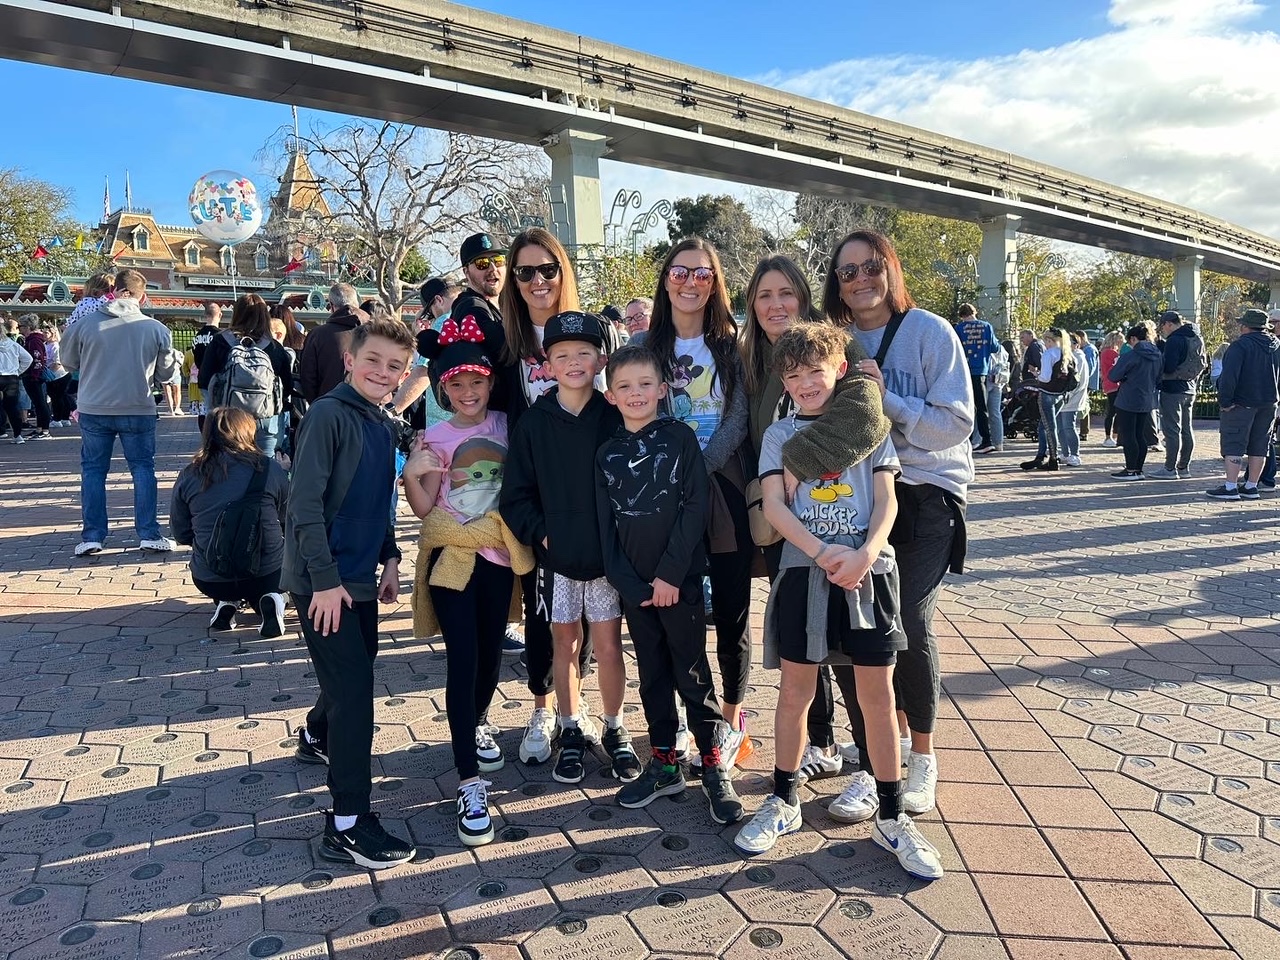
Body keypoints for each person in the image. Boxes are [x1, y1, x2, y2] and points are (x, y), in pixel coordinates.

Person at [735, 322, 942, 880]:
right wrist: (824, 551)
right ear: (784, 379)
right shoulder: (780, 436)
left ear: (840, 370)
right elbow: (776, 508)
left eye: (815, 371)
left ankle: (893, 813)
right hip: (807, 573)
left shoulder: (869, 429)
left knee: (877, 697)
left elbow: (887, 501)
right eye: (794, 374)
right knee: (795, 692)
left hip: (868, 577)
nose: (805, 383)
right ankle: (783, 800)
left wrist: (868, 552)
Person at [782, 229, 973, 823]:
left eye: (870, 267)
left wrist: (886, 399)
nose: (860, 279)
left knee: (906, 619)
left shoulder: (930, 332)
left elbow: (955, 425)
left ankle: (922, 756)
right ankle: (872, 762)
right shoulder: (830, 342)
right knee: (849, 623)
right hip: (850, 502)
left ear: (890, 267)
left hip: (924, 494)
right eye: (846, 273)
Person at [739, 253, 888, 781]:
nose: (776, 304)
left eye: (786, 293)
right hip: (790, 523)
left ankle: (872, 769)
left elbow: (867, 419)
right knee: (806, 647)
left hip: (847, 525)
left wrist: (796, 465)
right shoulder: (755, 361)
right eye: (764, 295)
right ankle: (817, 744)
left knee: (856, 657)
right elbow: (744, 429)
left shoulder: (835, 349)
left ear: (804, 298)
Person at [285, 318, 416, 870]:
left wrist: (389, 556)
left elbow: (378, 500)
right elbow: (304, 505)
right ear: (349, 360)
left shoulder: (382, 423)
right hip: (326, 585)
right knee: (356, 692)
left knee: (355, 671)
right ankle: (347, 823)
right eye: (374, 361)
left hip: (362, 577)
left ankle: (316, 733)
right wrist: (326, 581)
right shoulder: (328, 416)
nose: (382, 373)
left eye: (394, 367)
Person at [596, 344, 743, 824]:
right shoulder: (607, 453)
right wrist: (628, 583)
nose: (635, 394)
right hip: (635, 588)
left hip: (677, 584)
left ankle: (712, 760)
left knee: (691, 672)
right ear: (610, 394)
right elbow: (606, 527)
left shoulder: (679, 439)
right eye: (624, 387)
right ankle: (663, 761)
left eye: (645, 384)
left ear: (663, 389)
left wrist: (669, 576)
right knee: (653, 674)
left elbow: (694, 509)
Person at [403, 315, 529, 846]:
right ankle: (468, 783)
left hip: (499, 558)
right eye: (457, 384)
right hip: (452, 560)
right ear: (442, 388)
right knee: (463, 659)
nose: (469, 391)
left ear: (490, 383)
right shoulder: (434, 436)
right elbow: (425, 507)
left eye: (477, 381)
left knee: (491, 656)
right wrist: (412, 473)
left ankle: (476, 723)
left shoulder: (505, 424)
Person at [500, 311, 639, 785]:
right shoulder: (534, 423)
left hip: (605, 560)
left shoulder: (615, 416)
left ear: (601, 359)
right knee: (565, 642)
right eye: (563, 355)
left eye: (584, 353)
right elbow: (514, 494)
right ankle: (569, 725)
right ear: (547, 363)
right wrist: (542, 533)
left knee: (607, 644)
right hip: (556, 561)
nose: (574, 362)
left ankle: (616, 727)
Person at [646, 237, 755, 767]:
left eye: (703, 275)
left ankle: (733, 720)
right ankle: (695, 720)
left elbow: (737, 416)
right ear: (666, 279)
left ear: (716, 284)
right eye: (680, 273)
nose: (690, 283)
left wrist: (701, 465)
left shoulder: (732, 345)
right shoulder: (647, 344)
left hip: (724, 484)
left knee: (732, 612)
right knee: (680, 612)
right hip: (666, 494)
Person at [493, 228, 596, 760]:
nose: (537, 280)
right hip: (529, 493)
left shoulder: (593, 334)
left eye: (547, 269)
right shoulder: (505, 342)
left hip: (589, 499)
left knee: (592, 611)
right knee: (540, 607)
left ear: (563, 272)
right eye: (525, 271)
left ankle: (580, 709)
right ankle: (541, 708)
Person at [61, 269, 178, 556]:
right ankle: (149, 532)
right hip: (138, 406)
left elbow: (68, 362)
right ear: (143, 296)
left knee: (93, 471)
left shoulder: (85, 324)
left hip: (94, 405)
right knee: (142, 468)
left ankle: (92, 535)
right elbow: (167, 373)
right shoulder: (156, 328)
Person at [170, 406, 290, 637]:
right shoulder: (269, 469)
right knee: (288, 554)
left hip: (211, 576)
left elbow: (181, 533)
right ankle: (274, 598)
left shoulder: (190, 473)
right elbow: (288, 519)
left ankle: (227, 602)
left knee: (224, 569)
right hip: (268, 572)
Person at [198, 294, 294, 459]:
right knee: (266, 467)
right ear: (264, 315)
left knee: (228, 465)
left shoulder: (220, 342)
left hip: (228, 420)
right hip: (266, 419)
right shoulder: (274, 347)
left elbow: (204, 382)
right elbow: (287, 386)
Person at [1208, 308, 1280, 500]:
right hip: (1269, 401)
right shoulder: (1276, 345)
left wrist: (1225, 402)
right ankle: (1251, 486)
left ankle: (1230, 487)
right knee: (1260, 444)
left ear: (1246, 326)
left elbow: (1229, 377)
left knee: (1234, 443)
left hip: (1242, 402)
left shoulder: (1240, 346)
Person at [391, 278, 461, 431]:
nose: (432, 318)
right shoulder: (470, 315)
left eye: (430, 313)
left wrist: (391, 410)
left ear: (438, 300)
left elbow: (423, 371)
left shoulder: (445, 321)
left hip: (446, 428)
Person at [1150, 310, 1206, 480]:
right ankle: (1184, 467)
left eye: (1163, 327)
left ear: (1169, 324)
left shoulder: (1175, 339)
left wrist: (1162, 354)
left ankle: (1169, 468)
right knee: (1186, 429)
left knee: (1172, 430)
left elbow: (1169, 367)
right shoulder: (1195, 336)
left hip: (1172, 388)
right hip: (1189, 387)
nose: (1163, 330)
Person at [1108, 324, 1162, 480]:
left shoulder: (1131, 355)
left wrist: (1125, 376)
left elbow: (1113, 376)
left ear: (1133, 339)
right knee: (1140, 435)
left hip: (1128, 398)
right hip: (1147, 399)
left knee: (1129, 434)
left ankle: (1131, 469)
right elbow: (1159, 378)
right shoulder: (1157, 354)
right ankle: (1138, 469)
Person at [299, 284, 369, 402]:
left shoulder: (317, 335)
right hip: (369, 408)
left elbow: (308, 378)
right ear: (356, 303)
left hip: (328, 406)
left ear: (331, 306)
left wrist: (317, 404)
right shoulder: (377, 332)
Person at [1021, 327, 1076, 472]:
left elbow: (1045, 377)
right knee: (1043, 426)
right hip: (1061, 394)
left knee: (1049, 427)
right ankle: (1041, 455)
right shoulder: (1067, 354)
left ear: (1050, 340)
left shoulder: (1048, 354)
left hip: (1047, 393)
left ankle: (1053, 458)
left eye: (1046, 340)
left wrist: (1036, 374)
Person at [954, 303, 999, 453]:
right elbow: (994, 347)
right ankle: (986, 440)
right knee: (982, 407)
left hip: (965, 371)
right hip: (982, 370)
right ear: (975, 312)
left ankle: (969, 440)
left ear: (961, 315)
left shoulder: (959, 328)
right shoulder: (986, 326)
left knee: (965, 405)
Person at [17, 315, 53, 439]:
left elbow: (37, 359)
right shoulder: (31, 340)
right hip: (32, 376)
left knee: (40, 403)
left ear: (27, 327)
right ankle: (39, 428)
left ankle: (45, 430)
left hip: (34, 377)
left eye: (20, 326)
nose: (19, 329)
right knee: (38, 403)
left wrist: (34, 375)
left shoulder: (34, 341)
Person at [1058, 332, 1090, 467]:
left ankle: (1075, 454)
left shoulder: (1079, 359)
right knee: (1060, 427)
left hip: (1072, 399)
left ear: (1076, 344)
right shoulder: (1067, 357)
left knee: (1068, 426)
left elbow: (1078, 381)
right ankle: (1065, 453)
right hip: (1062, 397)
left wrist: (1068, 394)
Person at [191, 301, 223, 433]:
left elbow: (195, 356)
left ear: (205, 316)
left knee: (206, 409)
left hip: (203, 378)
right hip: (218, 379)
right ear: (220, 315)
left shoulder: (198, 336)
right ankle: (215, 437)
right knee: (219, 411)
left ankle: (206, 435)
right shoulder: (220, 336)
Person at [0, 326, 32, 443]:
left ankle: (2, 430)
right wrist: (18, 371)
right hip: (11, 377)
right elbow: (28, 358)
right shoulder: (12, 344)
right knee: (12, 407)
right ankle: (18, 435)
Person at [41, 321, 74, 426]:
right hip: (53, 375)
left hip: (59, 375)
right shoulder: (45, 344)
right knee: (60, 396)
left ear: (53, 333)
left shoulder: (55, 345)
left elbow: (57, 362)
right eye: (43, 332)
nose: (44, 335)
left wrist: (48, 372)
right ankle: (64, 418)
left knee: (57, 397)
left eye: (46, 333)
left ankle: (58, 419)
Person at [1099, 331, 1123, 446]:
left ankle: (1112, 436)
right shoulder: (1111, 353)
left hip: (1109, 383)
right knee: (1114, 411)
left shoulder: (1104, 352)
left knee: (1113, 411)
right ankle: (1111, 435)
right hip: (1113, 383)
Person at [1075, 329, 1100, 440]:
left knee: (1083, 405)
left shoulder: (1089, 350)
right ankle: (1084, 431)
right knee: (1083, 405)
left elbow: (1090, 367)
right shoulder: (1087, 349)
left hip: (1086, 382)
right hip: (1086, 382)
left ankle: (1084, 431)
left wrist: (1082, 379)